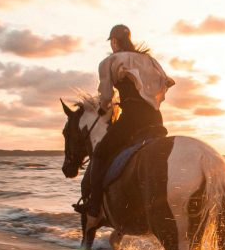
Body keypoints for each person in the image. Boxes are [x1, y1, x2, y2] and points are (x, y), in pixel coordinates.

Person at [74, 24, 175, 217]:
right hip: (155, 118)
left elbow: (105, 95)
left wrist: (105, 107)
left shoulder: (110, 61)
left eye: (111, 42)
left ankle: (94, 205)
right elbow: (166, 83)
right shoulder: (150, 60)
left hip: (132, 120)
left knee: (101, 153)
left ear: (113, 41)